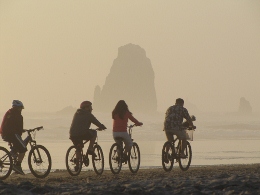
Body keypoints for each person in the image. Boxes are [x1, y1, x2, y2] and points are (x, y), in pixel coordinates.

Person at [69, 101, 106, 171]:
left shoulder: (76, 113)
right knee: (94, 132)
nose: (91, 109)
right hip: (82, 133)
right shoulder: (88, 114)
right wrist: (101, 126)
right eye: (90, 107)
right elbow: (96, 122)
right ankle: (90, 148)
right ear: (86, 108)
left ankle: (77, 165)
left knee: (78, 147)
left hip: (72, 134)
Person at [0, 100, 27, 175]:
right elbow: (16, 127)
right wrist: (19, 131)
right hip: (11, 134)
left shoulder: (10, 113)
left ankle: (14, 158)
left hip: (6, 134)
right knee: (23, 148)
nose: (21, 109)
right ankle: (17, 166)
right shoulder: (16, 115)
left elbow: (12, 125)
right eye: (20, 108)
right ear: (16, 108)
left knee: (17, 147)